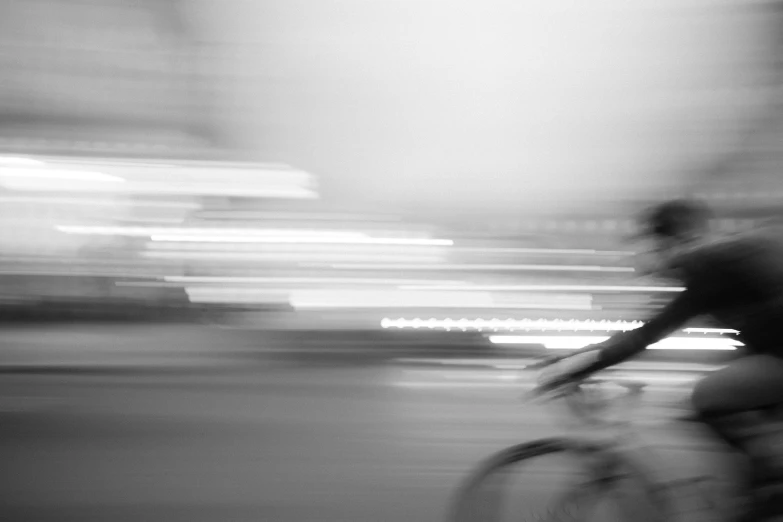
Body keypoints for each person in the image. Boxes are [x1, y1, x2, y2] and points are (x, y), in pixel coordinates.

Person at [538, 198, 783, 521]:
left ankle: (768, 489)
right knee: (735, 405)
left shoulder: (706, 265)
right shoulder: (718, 261)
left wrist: (577, 367)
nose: (647, 255)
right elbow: (644, 329)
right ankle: (763, 486)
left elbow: (648, 334)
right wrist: (576, 359)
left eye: (650, 243)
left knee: (707, 396)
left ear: (666, 240)